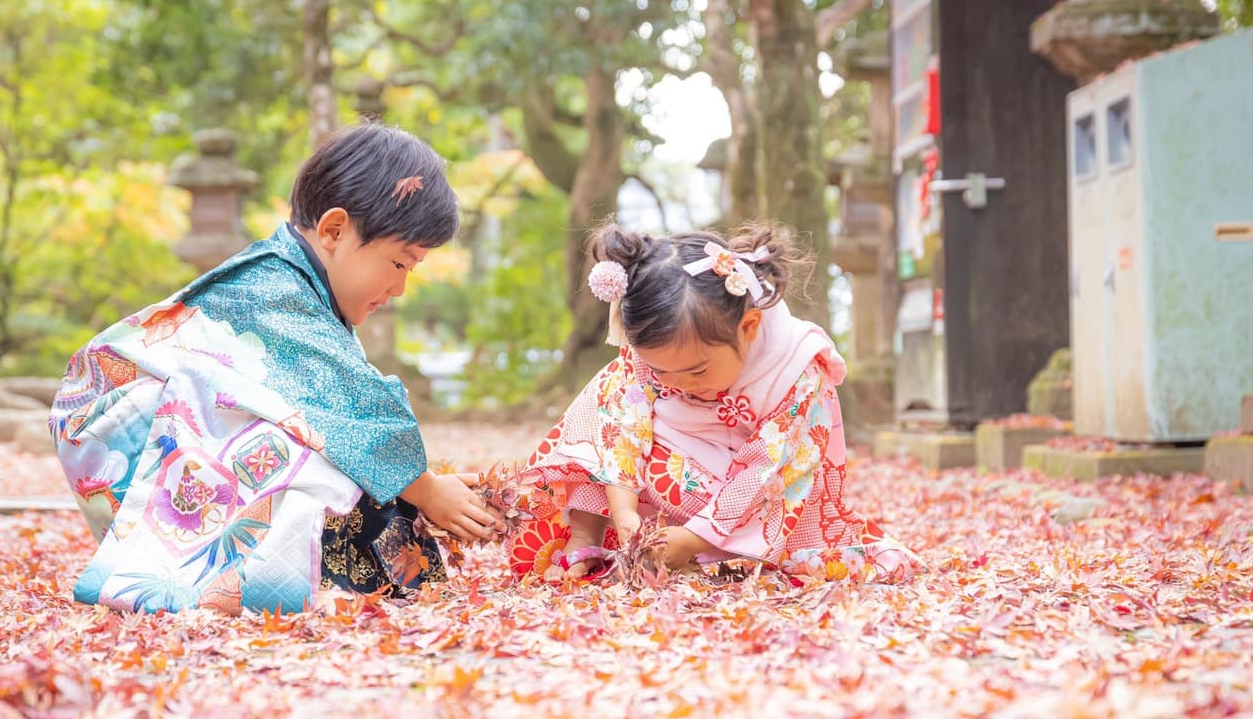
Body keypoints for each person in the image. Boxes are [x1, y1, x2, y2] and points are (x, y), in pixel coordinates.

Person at [50, 123, 495, 615]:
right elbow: (356, 411)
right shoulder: (274, 287)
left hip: (156, 437)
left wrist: (425, 486)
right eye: (399, 263)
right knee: (322, 457)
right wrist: (427, 489)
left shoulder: (297, 281)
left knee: (340, 459)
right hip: (124, 433)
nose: (401, 289)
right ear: (333, 231)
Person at [508, 223, 920, 585]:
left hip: (753, 496)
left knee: (786, 506)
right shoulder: (649, 357)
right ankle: (587, 536)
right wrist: (625, 514)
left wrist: (694, 538)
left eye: (697, 371)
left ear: (749, 327)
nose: (679, 386)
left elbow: (769, 468)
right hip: (659, 483)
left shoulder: (795, 368)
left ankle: (707, 550)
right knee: (605, 399)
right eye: (662, 372)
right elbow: (622, 427)